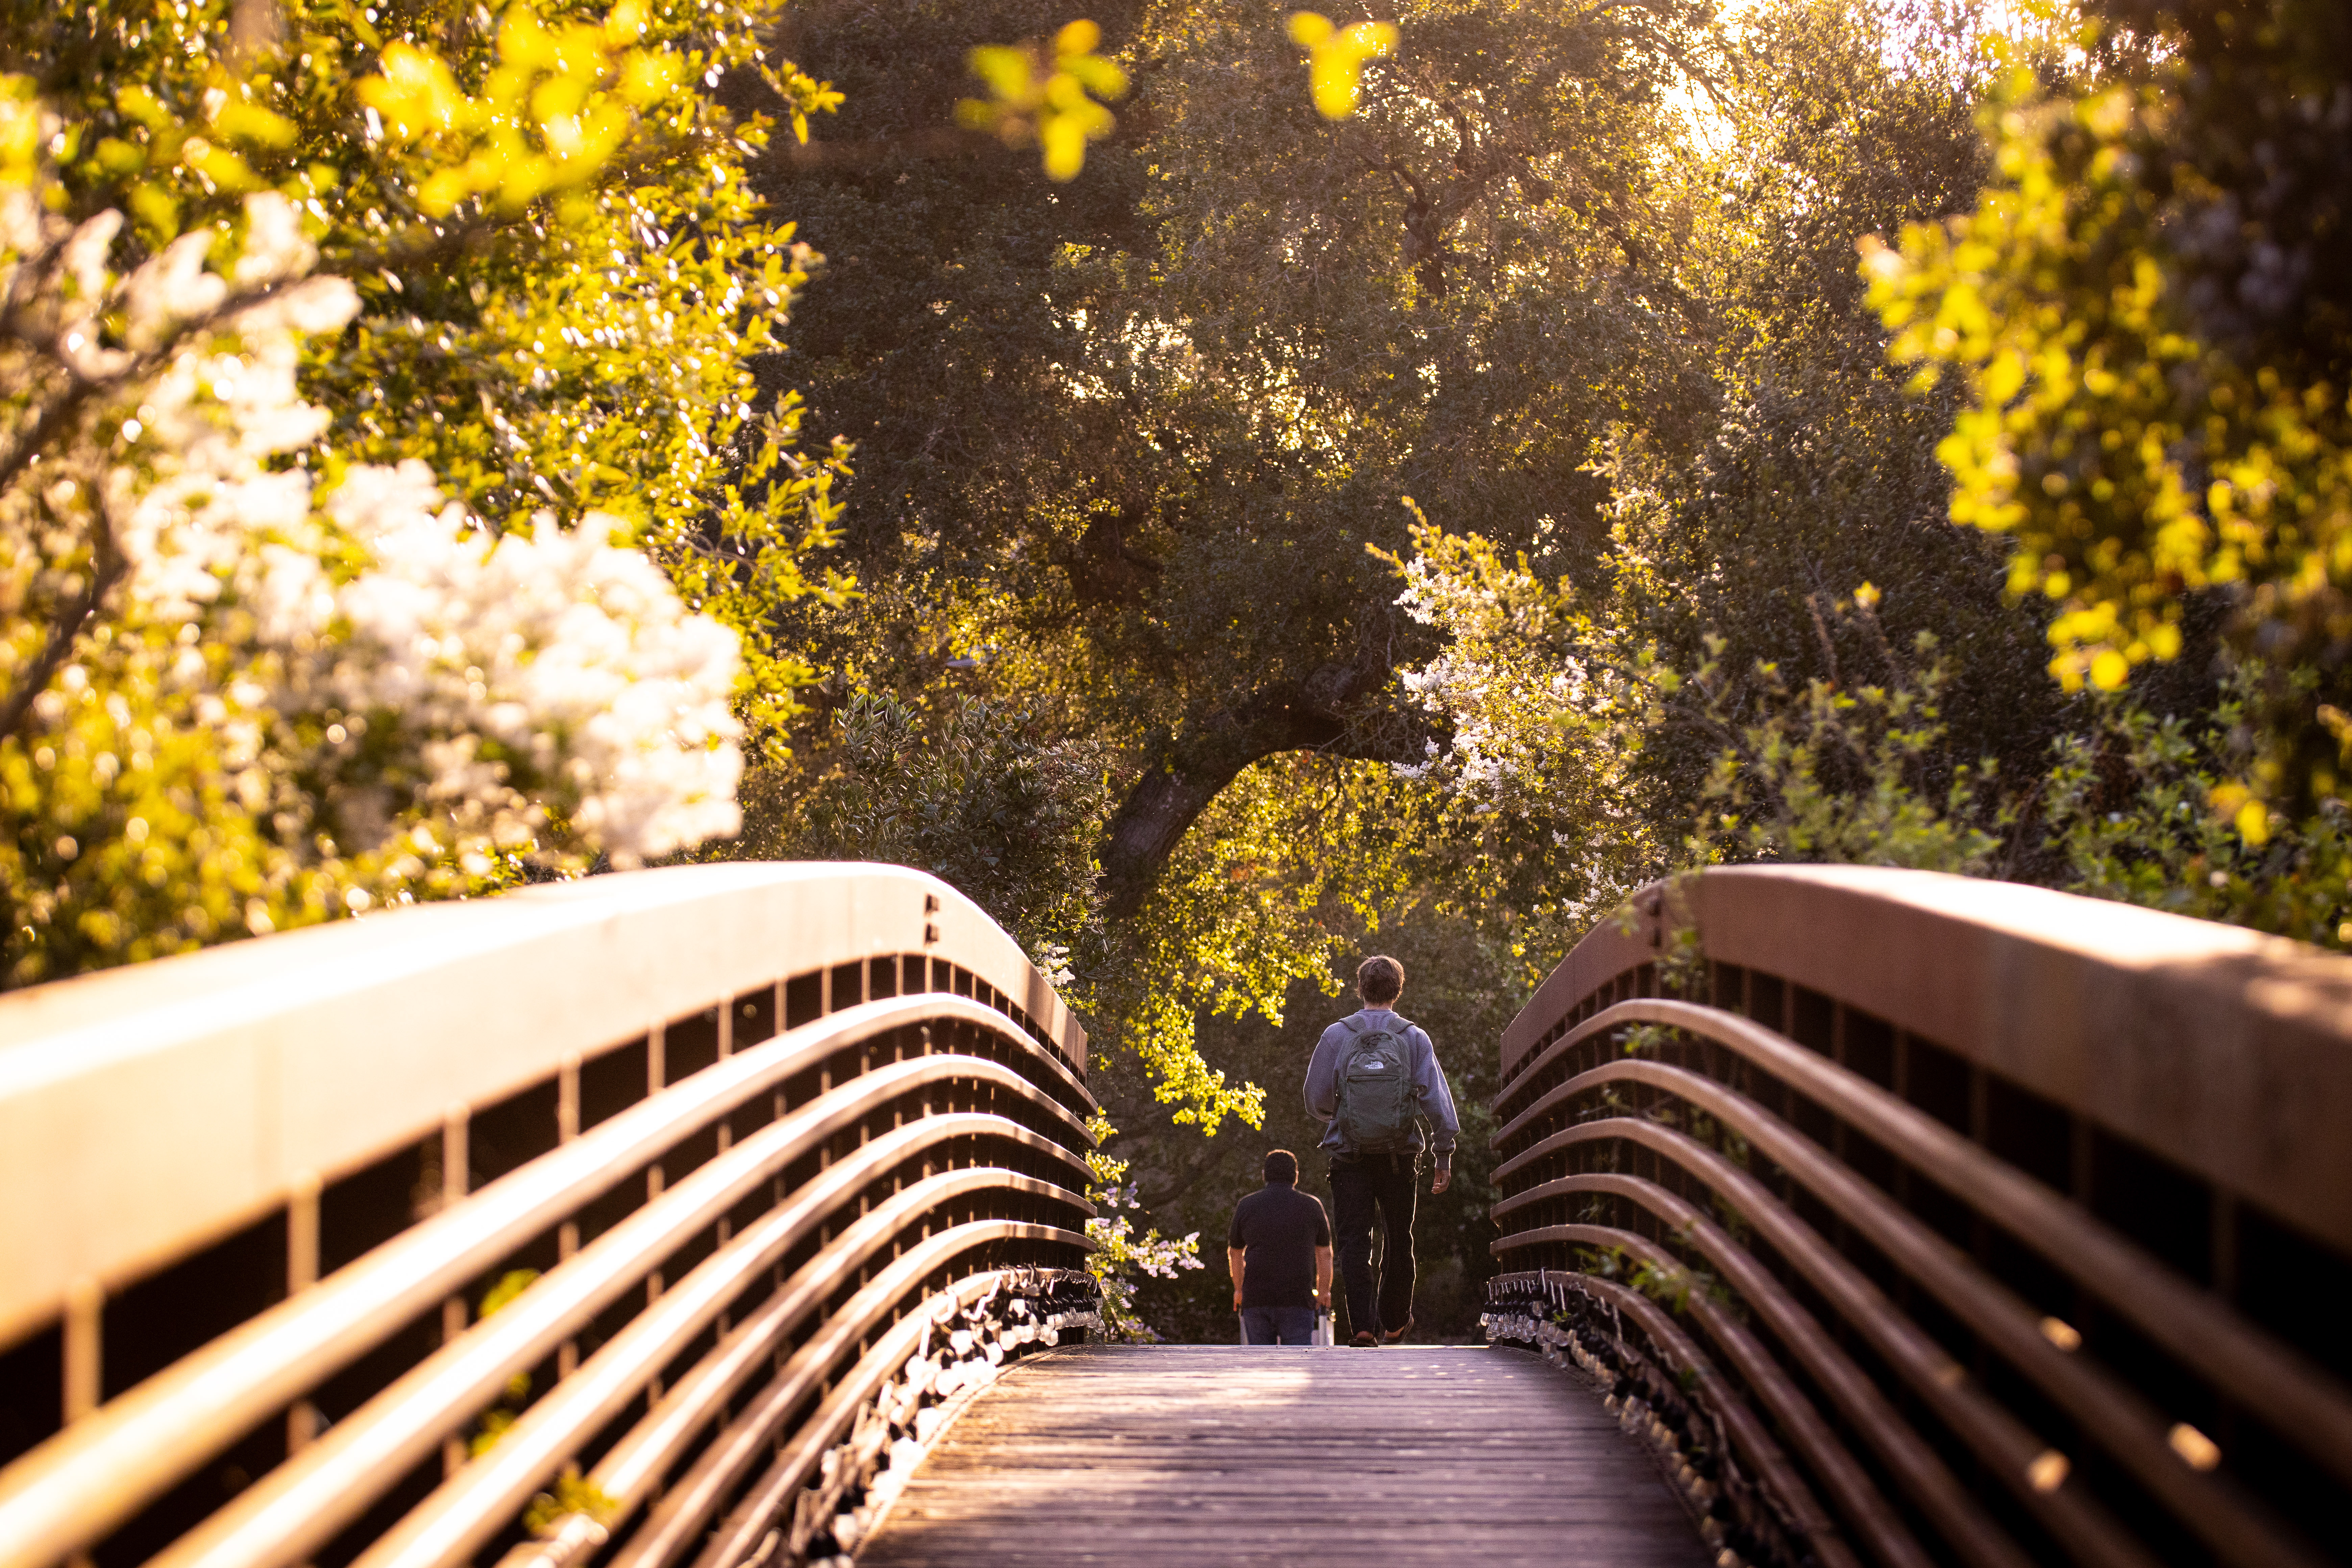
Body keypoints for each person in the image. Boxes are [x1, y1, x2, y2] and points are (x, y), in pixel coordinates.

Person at [1303, 954, 1459, 1347]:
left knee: (1355, 1241)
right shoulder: (1413, 1037)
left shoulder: (1337, 1035)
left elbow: (1315, 1097)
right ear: (1398, 989)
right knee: (1398, 1238)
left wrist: (1341, 1116)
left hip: (1349, 1154)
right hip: (1400, 1155)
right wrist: (1444, 1152)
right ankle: (1393, 1322)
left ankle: (1362, 1328)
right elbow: (1437, 1102)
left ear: (1361, 988)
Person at [1226, 1149, 1333, 1345]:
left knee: (1260, 1364)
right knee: (1298, 1361)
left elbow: (1235, 1253)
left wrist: (1239, 1290)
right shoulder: (1312, 1206)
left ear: (1264, 1175)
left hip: (1256, 1298)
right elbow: (1324, 1254)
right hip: (1298, 1299)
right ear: (1296, 1176)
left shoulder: (1247, 1205)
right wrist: (1324, 1291)